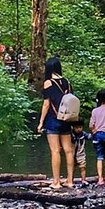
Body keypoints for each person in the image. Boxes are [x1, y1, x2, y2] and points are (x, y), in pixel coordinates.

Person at [36, 57, 76, 190]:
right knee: (69, 150)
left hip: (53, 119)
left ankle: (56, 182)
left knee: (55, 151)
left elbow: (46, 104)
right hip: (66, 119)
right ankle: (70, 181)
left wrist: (41, 122)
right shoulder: (67, 82)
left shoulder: (48, 83)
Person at [71, 122, 92, 187]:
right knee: (72, 168)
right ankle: (71, 179)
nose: (79, 129)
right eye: (77, 128)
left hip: (81, 153)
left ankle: (83, 179)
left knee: (83, 167)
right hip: (72, 154)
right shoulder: (71, 135)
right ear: (73, 128)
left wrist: (94, 133)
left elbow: (89, 137)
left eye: (80, 127)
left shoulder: (83, 134)